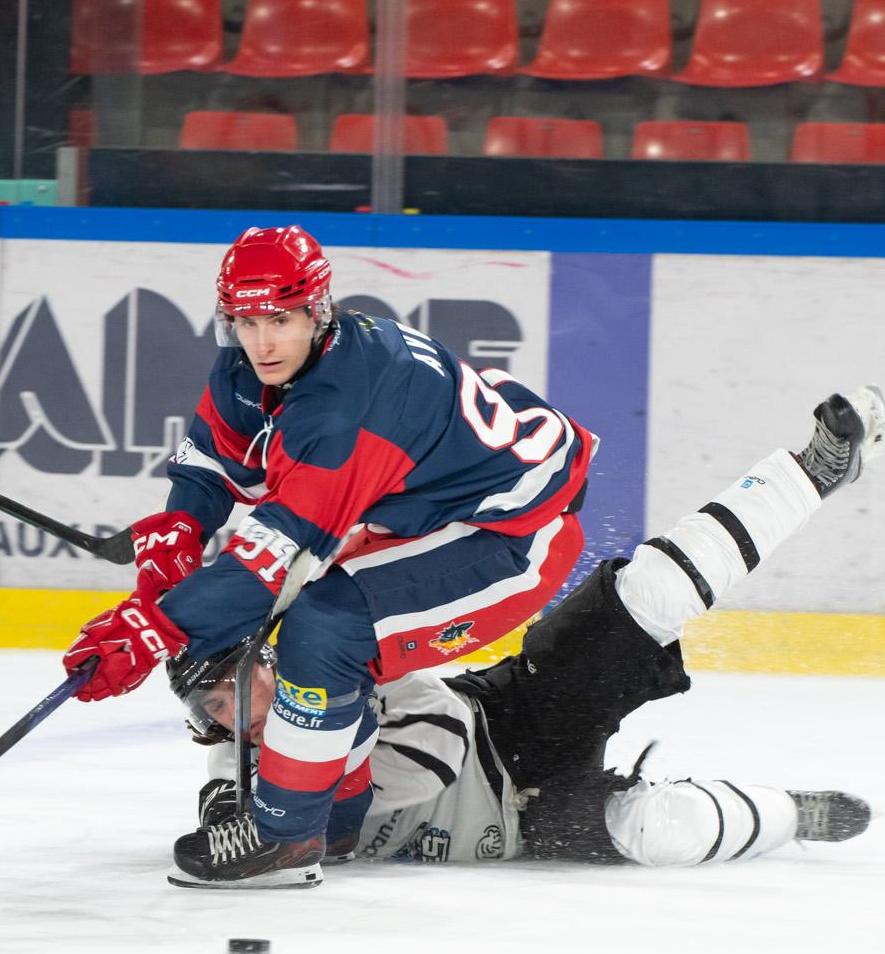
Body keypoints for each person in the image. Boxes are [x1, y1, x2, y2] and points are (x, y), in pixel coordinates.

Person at [169, 385, 885, 878]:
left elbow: (443, 743)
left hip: (513, 715)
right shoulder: (238, 771)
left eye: (232, 684)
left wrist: (338, 735)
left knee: (647, 591)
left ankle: (812, 471)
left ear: (264, 656)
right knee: (651, 830)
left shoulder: (336, 664)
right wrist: (241, 818)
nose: (230, 710)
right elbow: (230, 821)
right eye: (211, 708)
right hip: (525, 826)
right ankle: (792, 813)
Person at [62, 225, 596, 888]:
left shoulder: (351, 401)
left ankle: (289, 836)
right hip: (421, 516)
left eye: (279, 318)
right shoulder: (249, 370)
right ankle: (338, 821)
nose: (262, 340)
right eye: (245, 318)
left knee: (329, 625)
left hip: (513, 536)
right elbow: (206, 471)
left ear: (317, 310)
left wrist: (151, 629)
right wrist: (174, 539)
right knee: (311, 615)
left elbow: (273, 556)